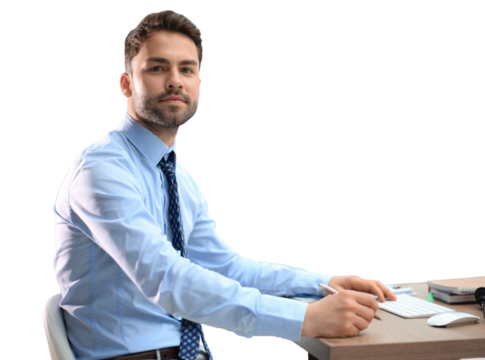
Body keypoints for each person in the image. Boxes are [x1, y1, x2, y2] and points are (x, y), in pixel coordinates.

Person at [51, 9, 396, 360]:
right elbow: (165, 279)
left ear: (199, 82)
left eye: (186, 69)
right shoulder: (101, 170)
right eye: (157, 68)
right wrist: (303, 318)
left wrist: (322, 284)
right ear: (125, 83)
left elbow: (229, 268)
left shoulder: (179, 180)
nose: (174, 81)